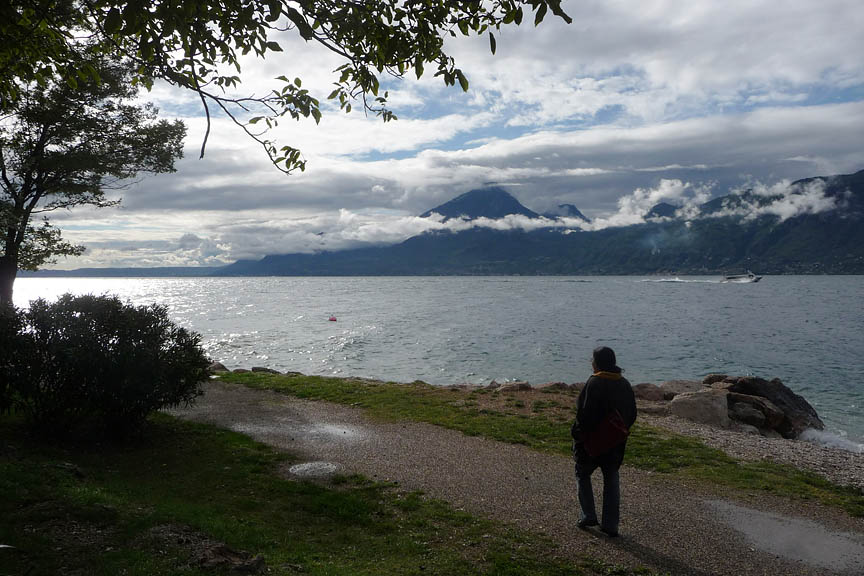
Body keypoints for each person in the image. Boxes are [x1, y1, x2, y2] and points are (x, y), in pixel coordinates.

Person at [571, 346, 637, 537]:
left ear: (597, 362)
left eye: (592, 359)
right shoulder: (624, 384)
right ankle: (610, 525)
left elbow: (584, 415)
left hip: (592, 442)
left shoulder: (594, 382)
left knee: (582, 473)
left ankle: (588, 514)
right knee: (611, 479)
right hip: (615, 443)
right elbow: (631, 414)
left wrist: (577, 434)